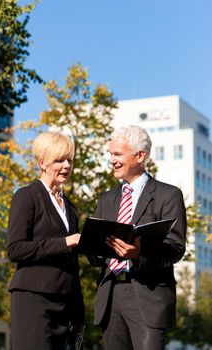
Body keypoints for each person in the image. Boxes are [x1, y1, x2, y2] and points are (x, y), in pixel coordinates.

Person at [89, 125, 187, 350]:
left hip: (147, 295)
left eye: (117, 154)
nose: (111, 160)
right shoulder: (106, 199)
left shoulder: (168, 195)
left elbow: (174, 248)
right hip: (110, 295)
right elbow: (94, 255)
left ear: (140, 155)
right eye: (110, 154)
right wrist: (91, 246)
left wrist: (139, 254)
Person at [7, 131, 85, 350]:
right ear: (42, 162)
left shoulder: (70, 208)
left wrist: (79, 317)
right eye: (59, 160)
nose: (67, 165)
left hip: (65, 306)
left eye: (69, 159)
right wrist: (65, 242)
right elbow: (15, 249)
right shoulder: (26, 196)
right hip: (34, 300)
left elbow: (73, 266)